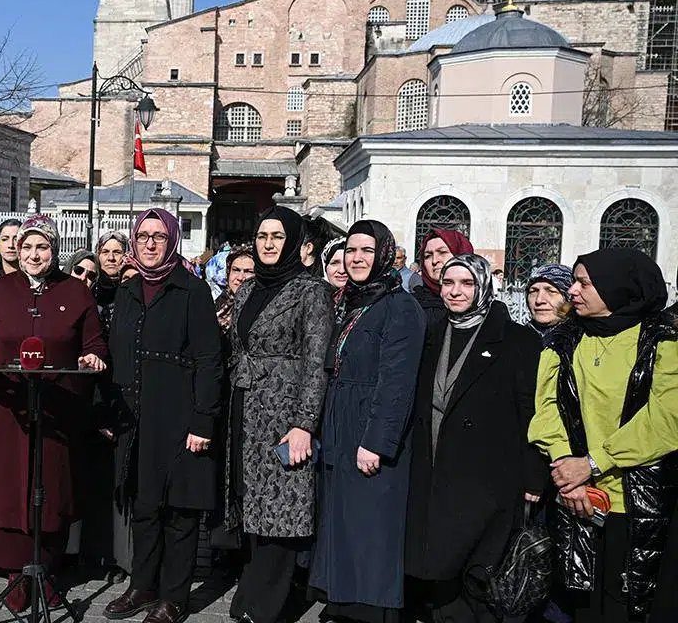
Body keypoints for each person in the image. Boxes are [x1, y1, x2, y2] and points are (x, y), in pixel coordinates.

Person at [528, 248, 678, 622]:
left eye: (584, 283)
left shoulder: (662, 340)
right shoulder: (562, 340)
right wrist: (567, 471)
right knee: (580, 607)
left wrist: (593, 463)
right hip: (578, 500)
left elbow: (666, 419)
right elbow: (547, 411)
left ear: (616, 288)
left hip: (639, 504)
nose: (573, 292)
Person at [0, 214, 108, 613]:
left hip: (57, 409)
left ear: (54, 250)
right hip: (9, 409)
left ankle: (46, 571)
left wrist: (92, 357)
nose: (33, 254)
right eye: (27, 246)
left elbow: (95, 343)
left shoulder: (76, 292)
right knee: (11, 487)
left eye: (42, 247)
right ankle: (16, 575)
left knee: (50, 489)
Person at [405, 253, 545, 622]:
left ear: (484, 286)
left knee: (479, 564)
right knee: (440, 561)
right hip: (436, 463)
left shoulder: (517, 340)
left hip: (488, 472)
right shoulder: (433, 331)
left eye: (466, 284)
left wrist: (535, 471)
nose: (455, 292)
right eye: (449, 283)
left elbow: (531, 409)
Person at [100, 209, 223, 623]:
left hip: (179, 415)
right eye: (143, 236)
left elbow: (209, 360)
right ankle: (142, 585)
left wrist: (203, 420)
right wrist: (109, 410)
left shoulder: (192, 290)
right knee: (144, 507)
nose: (150, 244)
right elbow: (117, 352)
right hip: (136, 417)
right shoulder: (128, 290)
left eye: (158, 236)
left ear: (172, 241)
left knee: (181, 512)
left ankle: (174, 596)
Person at [219, 208, 332, 623]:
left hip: (284, 411)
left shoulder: (311, 291)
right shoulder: (247, 290)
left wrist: (304, 423)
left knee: (283, 508)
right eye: (262, 235)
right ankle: (252, 588)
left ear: (294, 242)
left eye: (277, 236)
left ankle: (268, 603)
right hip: (245, 407)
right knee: (252, 503)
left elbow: (317, 361)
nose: (268, 244)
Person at [311, 219, 426, 623]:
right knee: (343, 520)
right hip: (341, 421)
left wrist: (377, 440)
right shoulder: (352, 301)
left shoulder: (400, 306)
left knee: (372, 524)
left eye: (366, 250)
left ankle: (370, 611)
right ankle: (342, 603)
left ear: (383, 255)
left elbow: (397, 381)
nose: (357, 258)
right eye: (351, 250)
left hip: (370, 425)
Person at [412, 228, 474, 328]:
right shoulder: (412, 304)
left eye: (442, 252)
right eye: (428, 256)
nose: (434, 261)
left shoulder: (485, 307)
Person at [526, 263, 573, 338]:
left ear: (569, 298)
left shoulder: (585, 341)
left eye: (551, 291)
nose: (539, 300)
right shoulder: (513, 338)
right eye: (534, 291)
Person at [215, 247, 255, 333]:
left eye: (249, 271)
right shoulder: (219, 302)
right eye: (236, 270)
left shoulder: (260, 309)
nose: (240, 278)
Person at [94, 231, 130, 312]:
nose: (111, 258)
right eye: (105, 252)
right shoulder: (89, 287)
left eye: (117, 252)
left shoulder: (132, 290)